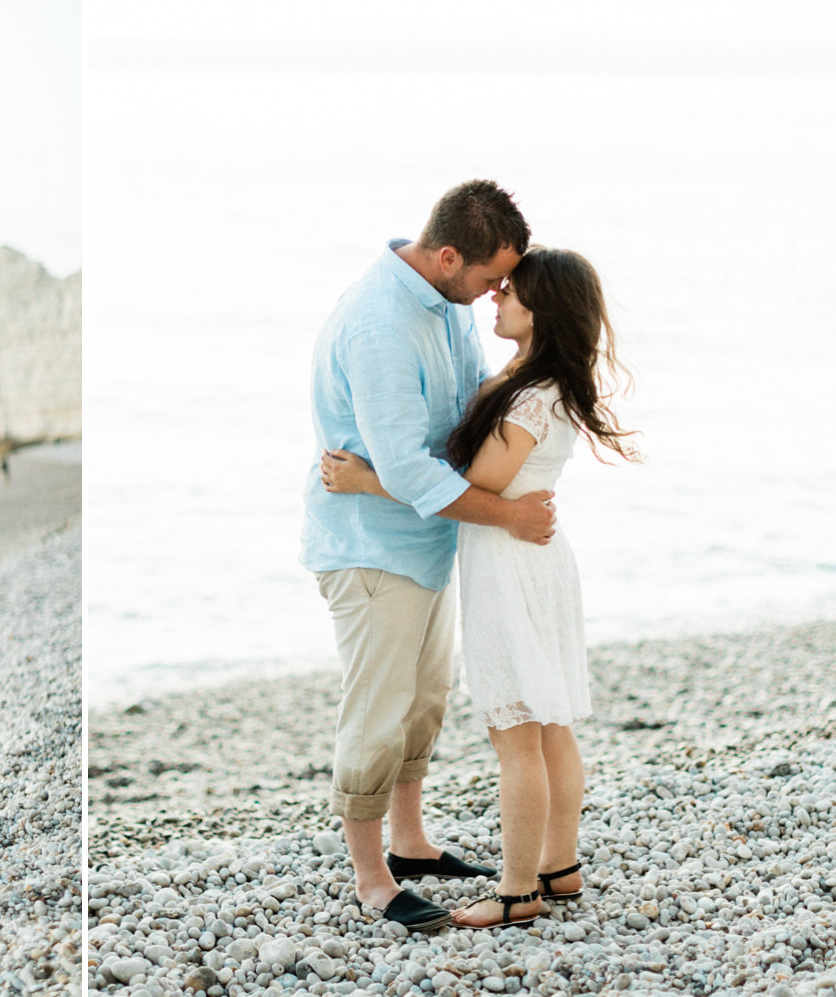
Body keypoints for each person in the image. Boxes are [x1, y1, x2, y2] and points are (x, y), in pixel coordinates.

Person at [323, 247, 639, 929]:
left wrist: (367, 479)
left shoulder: (531, 395)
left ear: (541, 310)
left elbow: (480, 486)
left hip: (512, 563)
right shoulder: (532, 378)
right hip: (532, 559)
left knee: (518, 731)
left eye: (511, 293)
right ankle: (559, 864)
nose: (496, 299)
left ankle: (519, 889)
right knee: (548, 723)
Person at [300, 180, 556, 932]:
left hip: (428, 537)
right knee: (376, 713)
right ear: (449, 256)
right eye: (487, 279)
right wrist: (508, 515)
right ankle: (371, 876)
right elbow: (412, 470)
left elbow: (465, 409)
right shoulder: (380, 324)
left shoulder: (445, 305)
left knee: (423, 701)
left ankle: (409, 843)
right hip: (370, 547)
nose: (491, 294)